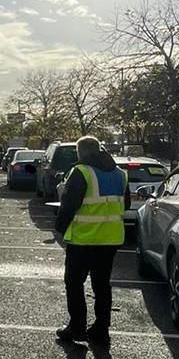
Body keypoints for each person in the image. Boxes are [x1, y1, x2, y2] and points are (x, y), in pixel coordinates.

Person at [54, 136, 130, 346]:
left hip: (83, 239)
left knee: (74, 284)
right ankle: (101, 329)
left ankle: (77, 328)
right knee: (102, 285)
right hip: (110, 238)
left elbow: (69, 204)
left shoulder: (81, 172)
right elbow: (125, 204)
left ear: (81, 152)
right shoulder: (120, 174)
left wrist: (59, 227)